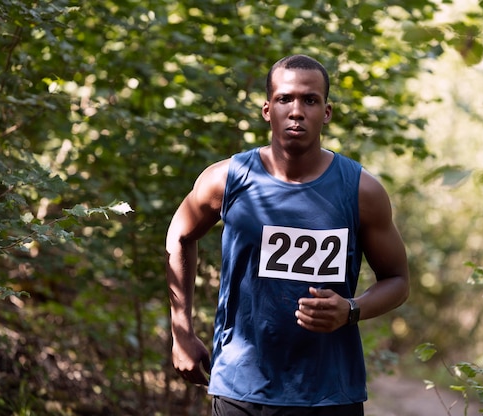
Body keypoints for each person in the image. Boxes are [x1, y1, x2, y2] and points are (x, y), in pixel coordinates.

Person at [165, 54, 409, 416]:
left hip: (329, 393)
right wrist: (181, 331)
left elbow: (398, 280)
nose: (297, 111)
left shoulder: (360, 190)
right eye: (285, 99)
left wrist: (351, 310)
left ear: (326, 112)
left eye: (310, 100)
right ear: (268, 110)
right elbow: (180, 235)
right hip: (241, 387)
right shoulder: (227, 179)